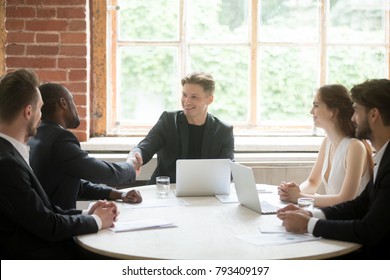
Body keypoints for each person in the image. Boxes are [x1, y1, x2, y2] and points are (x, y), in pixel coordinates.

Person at [0, 69, 118, 259]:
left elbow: (43, 211)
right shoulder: (6, 164)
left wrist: (87, 213)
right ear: (28, 112)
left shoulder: (9, 152)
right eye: (40, 109)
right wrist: (96, 221)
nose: (41, 116)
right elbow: (47, 225)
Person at [277, 79, 390, 259]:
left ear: (373, 114)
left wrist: (309, 224)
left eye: (357, 111)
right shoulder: (384, 157)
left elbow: (369, 229)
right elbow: (359, 204)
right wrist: (309, 213)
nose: (353, 118)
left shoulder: (366, 152)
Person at [27, 83, 142, 210]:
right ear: (63, 103)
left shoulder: (37, 135)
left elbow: (74, 184)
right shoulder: (60, 139)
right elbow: (104, 173)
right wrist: (131, 167)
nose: (76, 108)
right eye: (73, 101)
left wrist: (119, 194)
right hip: (59, 225)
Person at [128, 71, 235, 184]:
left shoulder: (224, 131)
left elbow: (228, 172)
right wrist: (134, 157)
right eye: (184, 95)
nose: (186, 101)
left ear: (210, 99)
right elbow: (146, 147)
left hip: (204, 193)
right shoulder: (168, 121)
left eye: (194, 97)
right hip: (165, 191)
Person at [278, 84, 373, 207]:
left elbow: (346, 199)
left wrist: (299, 197)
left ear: (332, 112)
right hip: (335, 216)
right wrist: (290, 193)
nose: (311, 111)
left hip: (352, 221)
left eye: (316, 105)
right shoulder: (327, 142)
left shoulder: (355, 147)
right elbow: (312, 182)